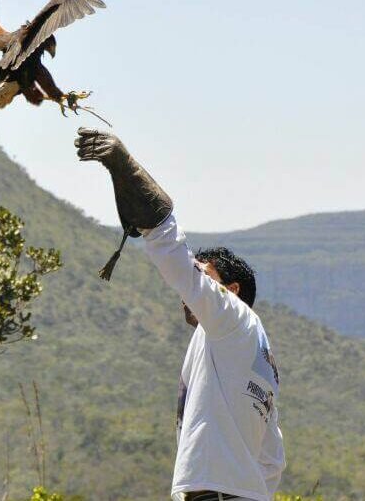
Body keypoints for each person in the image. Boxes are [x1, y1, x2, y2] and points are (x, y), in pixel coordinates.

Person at [74, 128, 286, 501]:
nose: (193, 291)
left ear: (232, 291)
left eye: (206, 276)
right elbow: (272, 459)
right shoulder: (255, 354)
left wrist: (125, 165)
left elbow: (175, 260)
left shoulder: (232, 318)